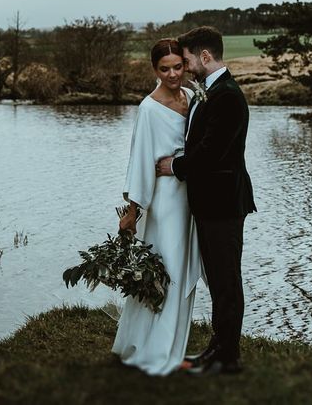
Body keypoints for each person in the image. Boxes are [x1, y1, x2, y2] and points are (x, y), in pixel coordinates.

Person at [156, 25, 256, 376]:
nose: (184, 67)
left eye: (186, 60)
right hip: (211, 204)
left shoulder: (227, 95)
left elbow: (212, 153)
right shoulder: (209, 92)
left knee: (227, 281)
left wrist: (175, 167)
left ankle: (228, 357)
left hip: (225, 204)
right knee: (217, 279)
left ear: (205, 57)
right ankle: (217, 346)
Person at [111, 38, 203, 376]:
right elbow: (139, 160)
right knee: (167, 271)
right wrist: (133, 212)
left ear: (184, 64)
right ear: (155, 70)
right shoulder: (148, 108)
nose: (173, 74)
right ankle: (156, 350)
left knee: (181, 268)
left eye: (178, 66)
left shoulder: (192, 98)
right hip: (165, 201)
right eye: (164, 69)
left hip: (189, 196)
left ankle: (169, 342)